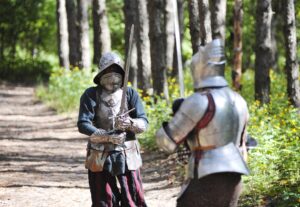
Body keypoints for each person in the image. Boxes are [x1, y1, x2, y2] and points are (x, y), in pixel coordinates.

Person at [156, 39, 250, 207]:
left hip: (205, 175)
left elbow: (167, 143)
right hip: (234, 176)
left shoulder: (198, 101)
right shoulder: (239, 100)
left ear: (200, 67)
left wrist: (177, 114)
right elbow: (244, 143)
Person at [77, 52, 148, 207]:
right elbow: (83, 123)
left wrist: (130, 123)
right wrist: (107, 137)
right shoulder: (91, 94)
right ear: (101, 73)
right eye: (108, 72)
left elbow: (143, 121)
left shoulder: (130, 93)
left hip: (127, 152)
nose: (112, 77)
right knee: (104, 199)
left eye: (116, 71)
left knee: (133, 198)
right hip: (99, 152)